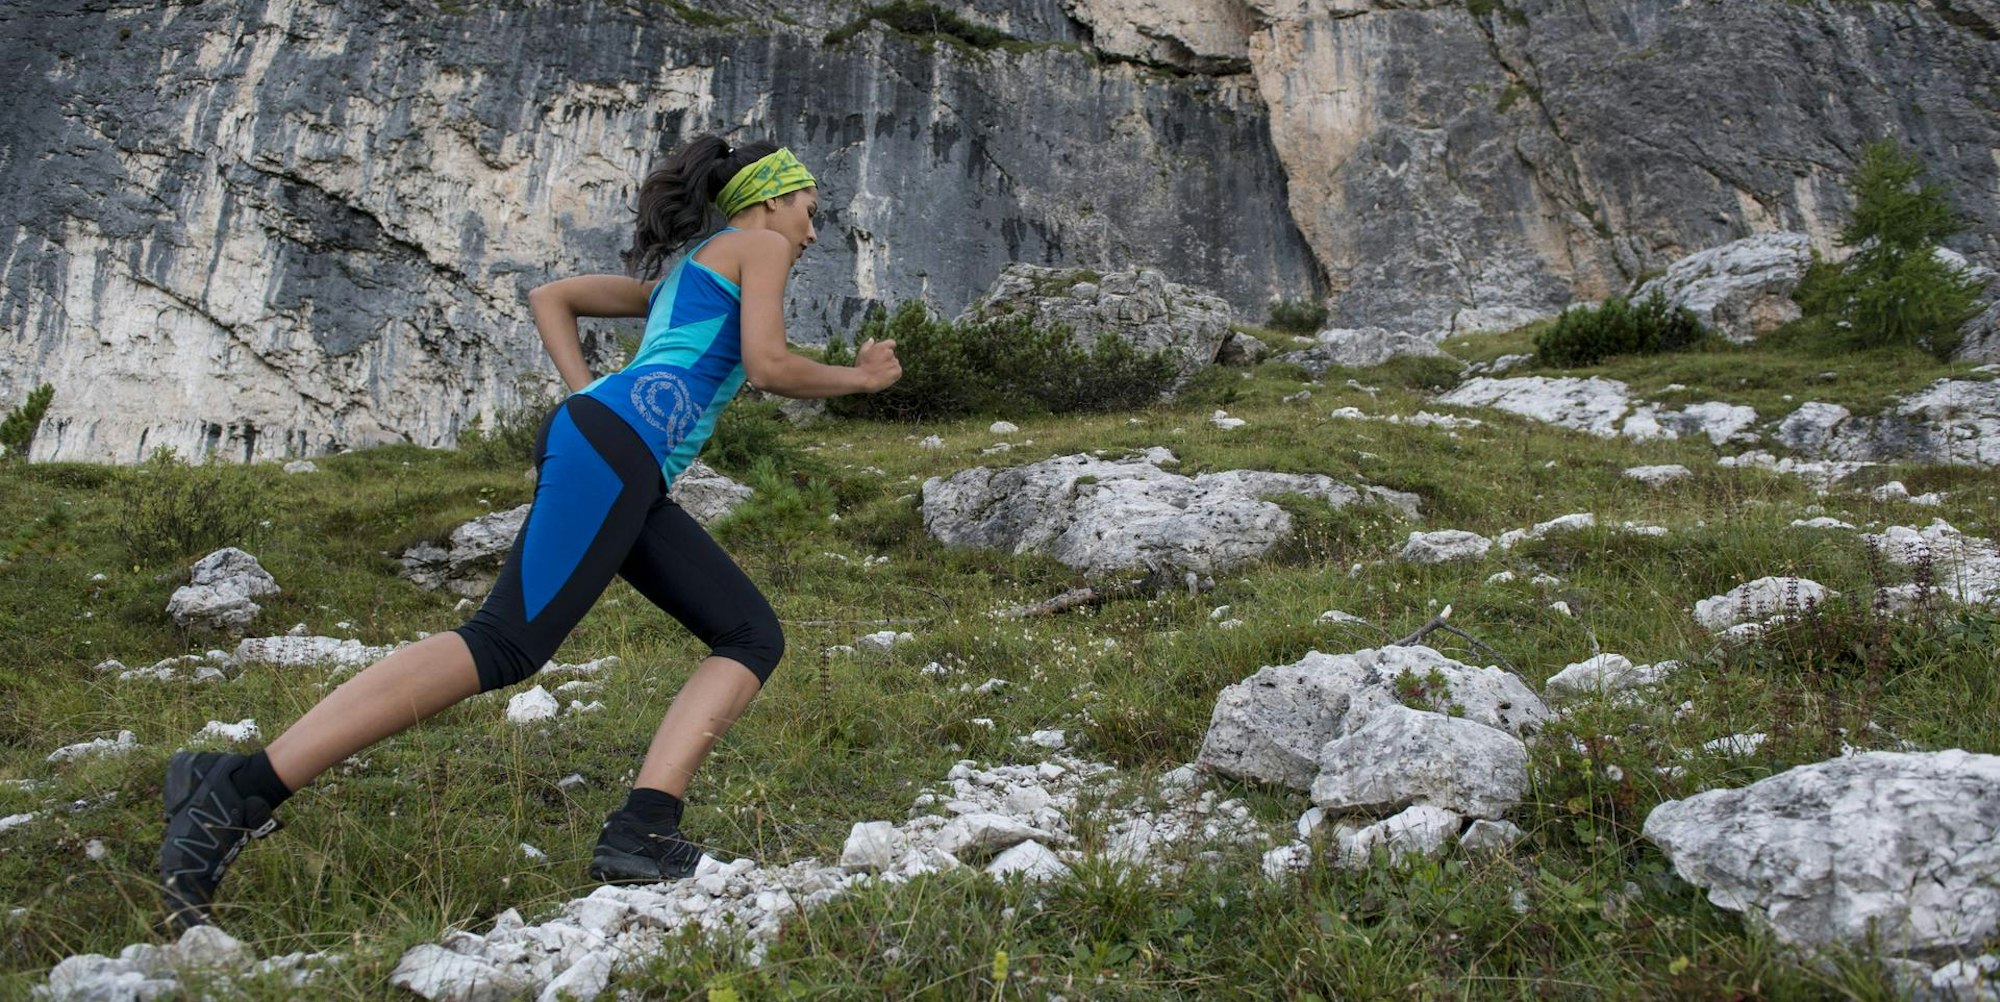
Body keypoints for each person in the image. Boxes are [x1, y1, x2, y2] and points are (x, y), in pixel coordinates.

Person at [158, 136, 902, 929]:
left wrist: (591, 399)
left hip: (624, 461)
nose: (813, 234)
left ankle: (644, 831)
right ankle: (236, 788)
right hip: (615, 450)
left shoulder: (683, 275)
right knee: (505, 643)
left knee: (749, 633)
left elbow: (553, 297)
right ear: (773, 198)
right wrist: (860, 377)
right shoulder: (756, 242)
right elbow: (767, 364)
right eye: (811, 213)